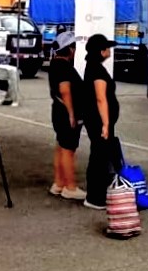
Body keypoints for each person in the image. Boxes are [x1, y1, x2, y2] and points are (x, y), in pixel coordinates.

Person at [80, 34, 121, 211]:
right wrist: (105, 123)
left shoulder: (93, 67)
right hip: (98, 121)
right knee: (99, 156)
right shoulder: (96, 70)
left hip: (96, 119)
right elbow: (101, 99)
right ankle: (95, 197)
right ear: (102, 51)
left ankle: (97, 194)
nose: (110, 51)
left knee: (100, 154)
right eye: (107, 48)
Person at [47, 31, 85, 201]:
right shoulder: (63, 66)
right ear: (69, 49)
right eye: (74, 47)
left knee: (61, 147)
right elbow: (65, 91)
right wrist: (71, 114)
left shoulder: (55, 64)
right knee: (68, 149)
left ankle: (59, 183)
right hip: (66, 112)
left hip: (58, 111)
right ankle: (70, 186)